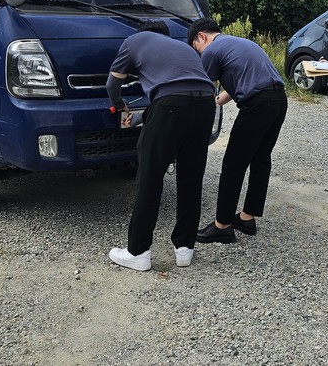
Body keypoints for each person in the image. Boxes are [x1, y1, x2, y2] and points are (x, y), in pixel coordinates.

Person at [107, 20, 216, 271]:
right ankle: (185, 249)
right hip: (205, 104)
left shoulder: (134, 40)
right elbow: (179, 90)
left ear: (143, 33)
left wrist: (120, 104)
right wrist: (142, 117)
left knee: (150, 177)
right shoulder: (184, 48)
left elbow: (112, 84)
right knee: (191, 178)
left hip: (171, 105)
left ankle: (138, 252)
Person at [186, 18, 288, 244]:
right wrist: (218, 102)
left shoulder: (211, 51)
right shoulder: (238, 43)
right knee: (261, 159)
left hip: (257, 104)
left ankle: (222, 226)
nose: (198, 53)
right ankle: (247, 218)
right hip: (278, 99)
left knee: (233, 163)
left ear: (201, 36)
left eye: (196, 47)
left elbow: (205, 88)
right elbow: (238, 84)